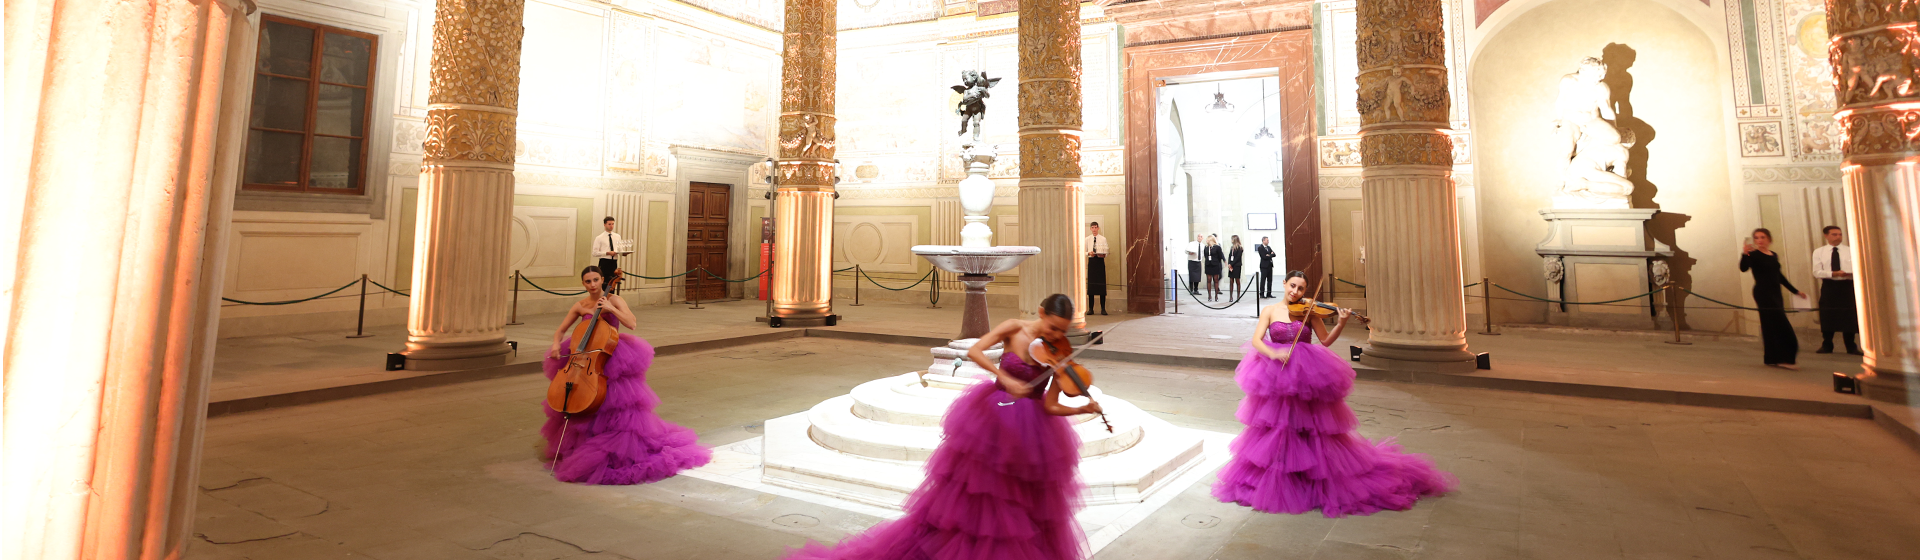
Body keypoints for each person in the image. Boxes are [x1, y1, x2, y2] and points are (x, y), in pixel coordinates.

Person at [783, 294, 1098, 560]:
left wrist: (1085, 405)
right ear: (1041, 313)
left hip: (1033, 433)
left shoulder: (1057, 353)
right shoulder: (1014, 329)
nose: (1056, 336)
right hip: (996, 419)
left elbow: (1052, 403)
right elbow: (975, 351)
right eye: (1053, 327)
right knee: (983, 494)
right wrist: (1002, 376)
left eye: (1062, 332)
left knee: (1028, 504)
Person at [1214, 271, 1453, 516]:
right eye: (1292, 286)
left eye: (1301, 289)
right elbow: (1257, 340)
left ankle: (1311, 472)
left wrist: (1340, 322)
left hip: (1305, 372)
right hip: (1276, 371)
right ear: (1284, 284)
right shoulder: (1270, 311)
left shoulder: (1309, 312)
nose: (1295, 292)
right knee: (1278, 424)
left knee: (1309, 424)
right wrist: (1273, 354)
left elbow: (1325, 341)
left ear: (1305, 292)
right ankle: (1281, 469)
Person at [541, 266, 710, 484]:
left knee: (614, 404)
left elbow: (631, 323)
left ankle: (614, 447)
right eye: (587, 281)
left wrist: (611, 307)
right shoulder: (580, 305)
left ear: (602, 280)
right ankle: (584, 444)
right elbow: (561, 330)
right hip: (583, 356)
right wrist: (556, 344)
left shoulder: (615, 299)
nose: (592, 284)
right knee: (580, 398)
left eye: (595, 280)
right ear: (583, 284)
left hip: (611, 356)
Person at [1741, 228, 1809, 370]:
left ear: (1769, 239)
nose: (1759, 240)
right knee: (1780, 324)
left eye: (1763, 237)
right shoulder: (1753, 255)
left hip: (1775, 293)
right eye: (1757, 238)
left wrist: (1795, 291)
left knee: (1771, 325)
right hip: (1763, 293)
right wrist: (1744, 254)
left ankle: (1773, 358)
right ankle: (1785, 358)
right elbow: (1743, 268)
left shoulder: (1773, 255)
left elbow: (1779, 277)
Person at [1811, 225, 1861, 355]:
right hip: (1829, 286)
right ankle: (1827, 344)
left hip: (1847, 286)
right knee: (1828, 314)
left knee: (1849, 315)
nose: (1838, 237)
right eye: (1834, 234)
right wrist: (1834, 273)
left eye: (1840, 234)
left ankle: (1851, 345)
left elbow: (1858, 267)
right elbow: (1817, 272)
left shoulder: (1850, 250)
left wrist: (1848, 273)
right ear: (1826, 236)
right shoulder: (1819, 252)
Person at [591, 217, 627, 294]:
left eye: (613, 224)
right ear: (605, 225)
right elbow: (594, 253)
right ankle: (603, 301)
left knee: (613, 283)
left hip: (614, 262)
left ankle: (611, 302)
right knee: (605, 284)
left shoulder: (617, 236)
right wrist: (607, 253)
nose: (611, 226)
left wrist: (623, 253)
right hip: (604, 262)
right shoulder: (599, 238)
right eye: (609, 224)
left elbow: (620, 249)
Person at [1086, 222, 1110, 316]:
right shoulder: (1087, 239)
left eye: (1096, 227)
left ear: (1098, 228)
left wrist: (1103, 254)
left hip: (1100, 262)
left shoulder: (1103, 239)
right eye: (1092, 227)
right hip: (1091, 262)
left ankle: (1103, 309)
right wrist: (1089, 253)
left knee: (1101, 285)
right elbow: (1083, 251)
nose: (1094, 229)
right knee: (1091, 286)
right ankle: (1090, 309)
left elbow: (1106, 251)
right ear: (1090, 229)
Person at [1204, 235, 1225, 301]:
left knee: (1216, 280)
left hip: (1215, 265)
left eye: (1207, 239)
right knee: (1209, 280)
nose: (1206, 241)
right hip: (1208, 265)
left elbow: (1220, 256)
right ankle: (1209, 296)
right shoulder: (1206, 247)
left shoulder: (1217, 247)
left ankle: (1216, 296)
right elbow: (1205, 255)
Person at [1227, 235, 1245, 300]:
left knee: (1237, 281)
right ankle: (1231, 297)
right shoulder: (1232, 247)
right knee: (1231, 281)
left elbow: (1237, 258)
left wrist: (1231, 264)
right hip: (1231, 265)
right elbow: (1230, 256)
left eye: (1232, 239)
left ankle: (1238, 296)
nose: (1231, 240)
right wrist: (1229, 263)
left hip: (1237, 266)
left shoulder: (1240, 248)